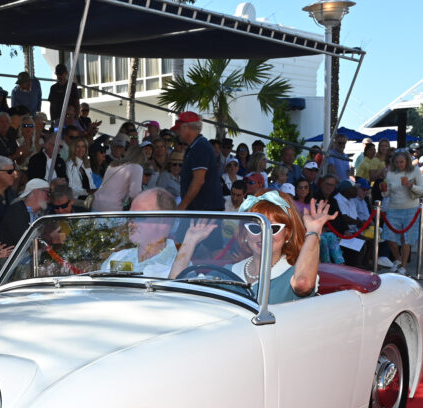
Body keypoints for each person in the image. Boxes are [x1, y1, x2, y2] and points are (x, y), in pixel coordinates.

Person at [179, 189, 329, 302]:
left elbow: (303, 284)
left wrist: (314, 231)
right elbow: (179, 288)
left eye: (274, 228)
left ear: (287, 234)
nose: (264, 235)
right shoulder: (228, 273)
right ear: (245, 234)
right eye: (256, 228)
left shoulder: (293, 275)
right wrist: (189, 242)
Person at [100, 188, 184, 276]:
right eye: (130, 217)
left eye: (139, 217)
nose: (130, 224)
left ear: (163, 222)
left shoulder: (179, 265)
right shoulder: (118, 258)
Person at [380, 150, 423, 275]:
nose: (399, 164)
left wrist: (411, 186)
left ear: (407, 161)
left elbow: (422, 190)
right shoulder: (390, 174)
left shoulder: (415, 171)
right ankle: (398, 259)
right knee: (389, 236)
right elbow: (387, 193)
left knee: (407, 238)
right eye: (397, 162)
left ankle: (403, 266)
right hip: (393, 208)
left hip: (411, 208)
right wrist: (383, 190)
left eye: (402, 162)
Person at [175, 111, 224, 211]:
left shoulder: (200, 146)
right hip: (202, 210)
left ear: (186, 127)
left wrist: (182, 206)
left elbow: (199, 180)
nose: (177, 132)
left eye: (179, 128)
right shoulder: (197, 146)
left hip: (204, 213)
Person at [0, 177, 49, 248]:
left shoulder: (38, 214)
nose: (48, 197)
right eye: (47, 193)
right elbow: (25, 241)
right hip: (10, 258)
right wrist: (50, 237)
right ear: (36, 192)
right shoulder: (16, 210)